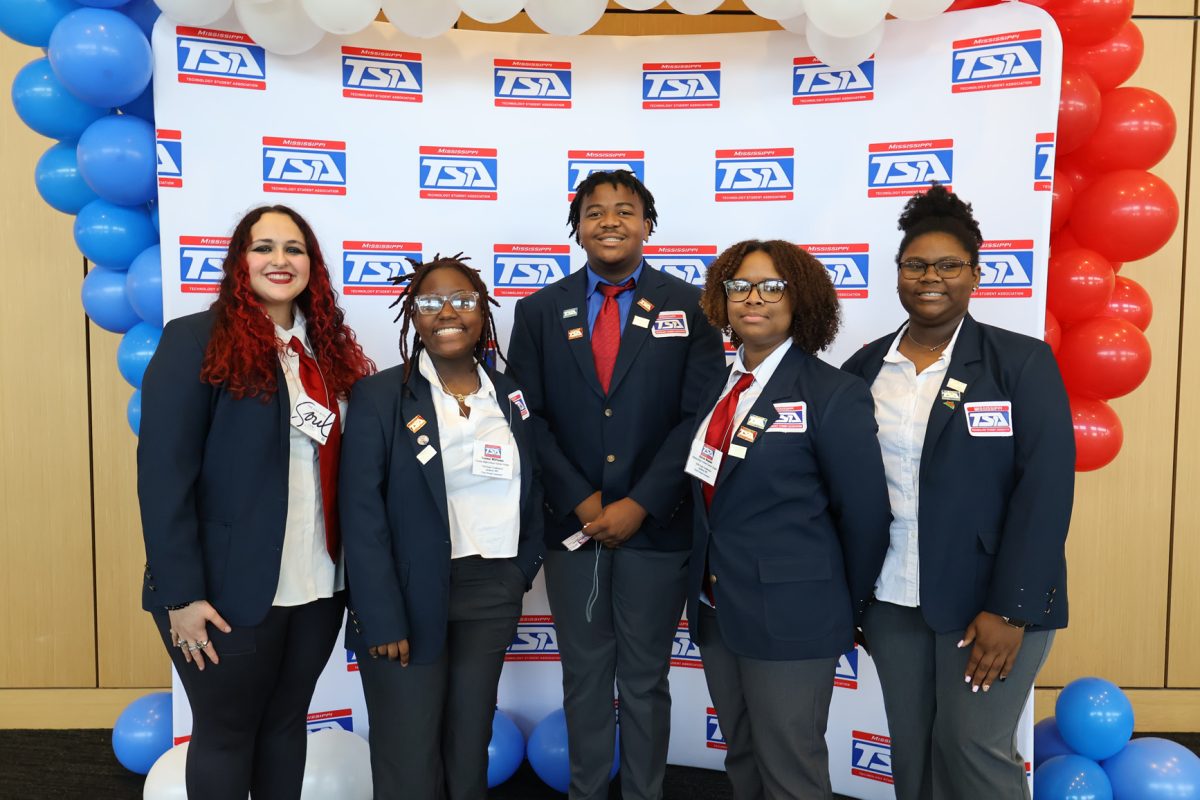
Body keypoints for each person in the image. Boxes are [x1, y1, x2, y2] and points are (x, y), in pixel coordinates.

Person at [841, 184, 1074, 800]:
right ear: (897, 273)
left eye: (949, 265)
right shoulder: (863, 371)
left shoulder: (1019, 363)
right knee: (914, 755)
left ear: (976, 275)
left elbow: (1045, 492)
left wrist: (1012, 609)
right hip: (892, 601)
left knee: (973, 748)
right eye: (916, 264)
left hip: (989, 605)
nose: (931, 277)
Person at [137, 204, 376, 799]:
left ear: (311, 265)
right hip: (221, 589)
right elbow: (163, 477)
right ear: (239, 261)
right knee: (225, 731)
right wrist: (183, 595)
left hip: (319, 581)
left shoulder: (329, 350)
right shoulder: (194, 339)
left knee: (283, 725)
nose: (279, 260)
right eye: (262, 247)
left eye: (294, 248)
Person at [506, 170, 726, 800]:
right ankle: (585, 791)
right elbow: (528, 415)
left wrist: (641, 501)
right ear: (576, 226)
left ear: (648, 224)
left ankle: (644, 792)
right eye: (595, 211)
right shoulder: (540, 311)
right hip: (571, 525)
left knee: (645, 679)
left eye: (624, 210)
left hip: (657, 526)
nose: (609, 221)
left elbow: (700, 415)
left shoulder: (693, 307)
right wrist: (581, 498)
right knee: (583, 675)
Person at [687, 239, 891, 800]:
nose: (754, 298)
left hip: (796, 617)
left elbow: (866, 516)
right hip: (716, 607)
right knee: (743, 758)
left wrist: (838, 608)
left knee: (791, 770)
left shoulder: (833, 393)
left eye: (772, 286)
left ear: (799, 299)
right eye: (740, 286)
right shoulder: (717, 387)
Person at [340, 255, 545, 800]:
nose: (447, 312)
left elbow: (536, 485)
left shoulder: (510, 394)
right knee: (409, 753)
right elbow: (361, 512)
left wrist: (520, 571)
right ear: (413, 315)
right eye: (430, 302)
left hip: (491, 590)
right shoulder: (381, 396)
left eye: (463, 300)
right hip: (405, 598)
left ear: (483, 313)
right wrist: (381, 615)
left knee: (468, 744)